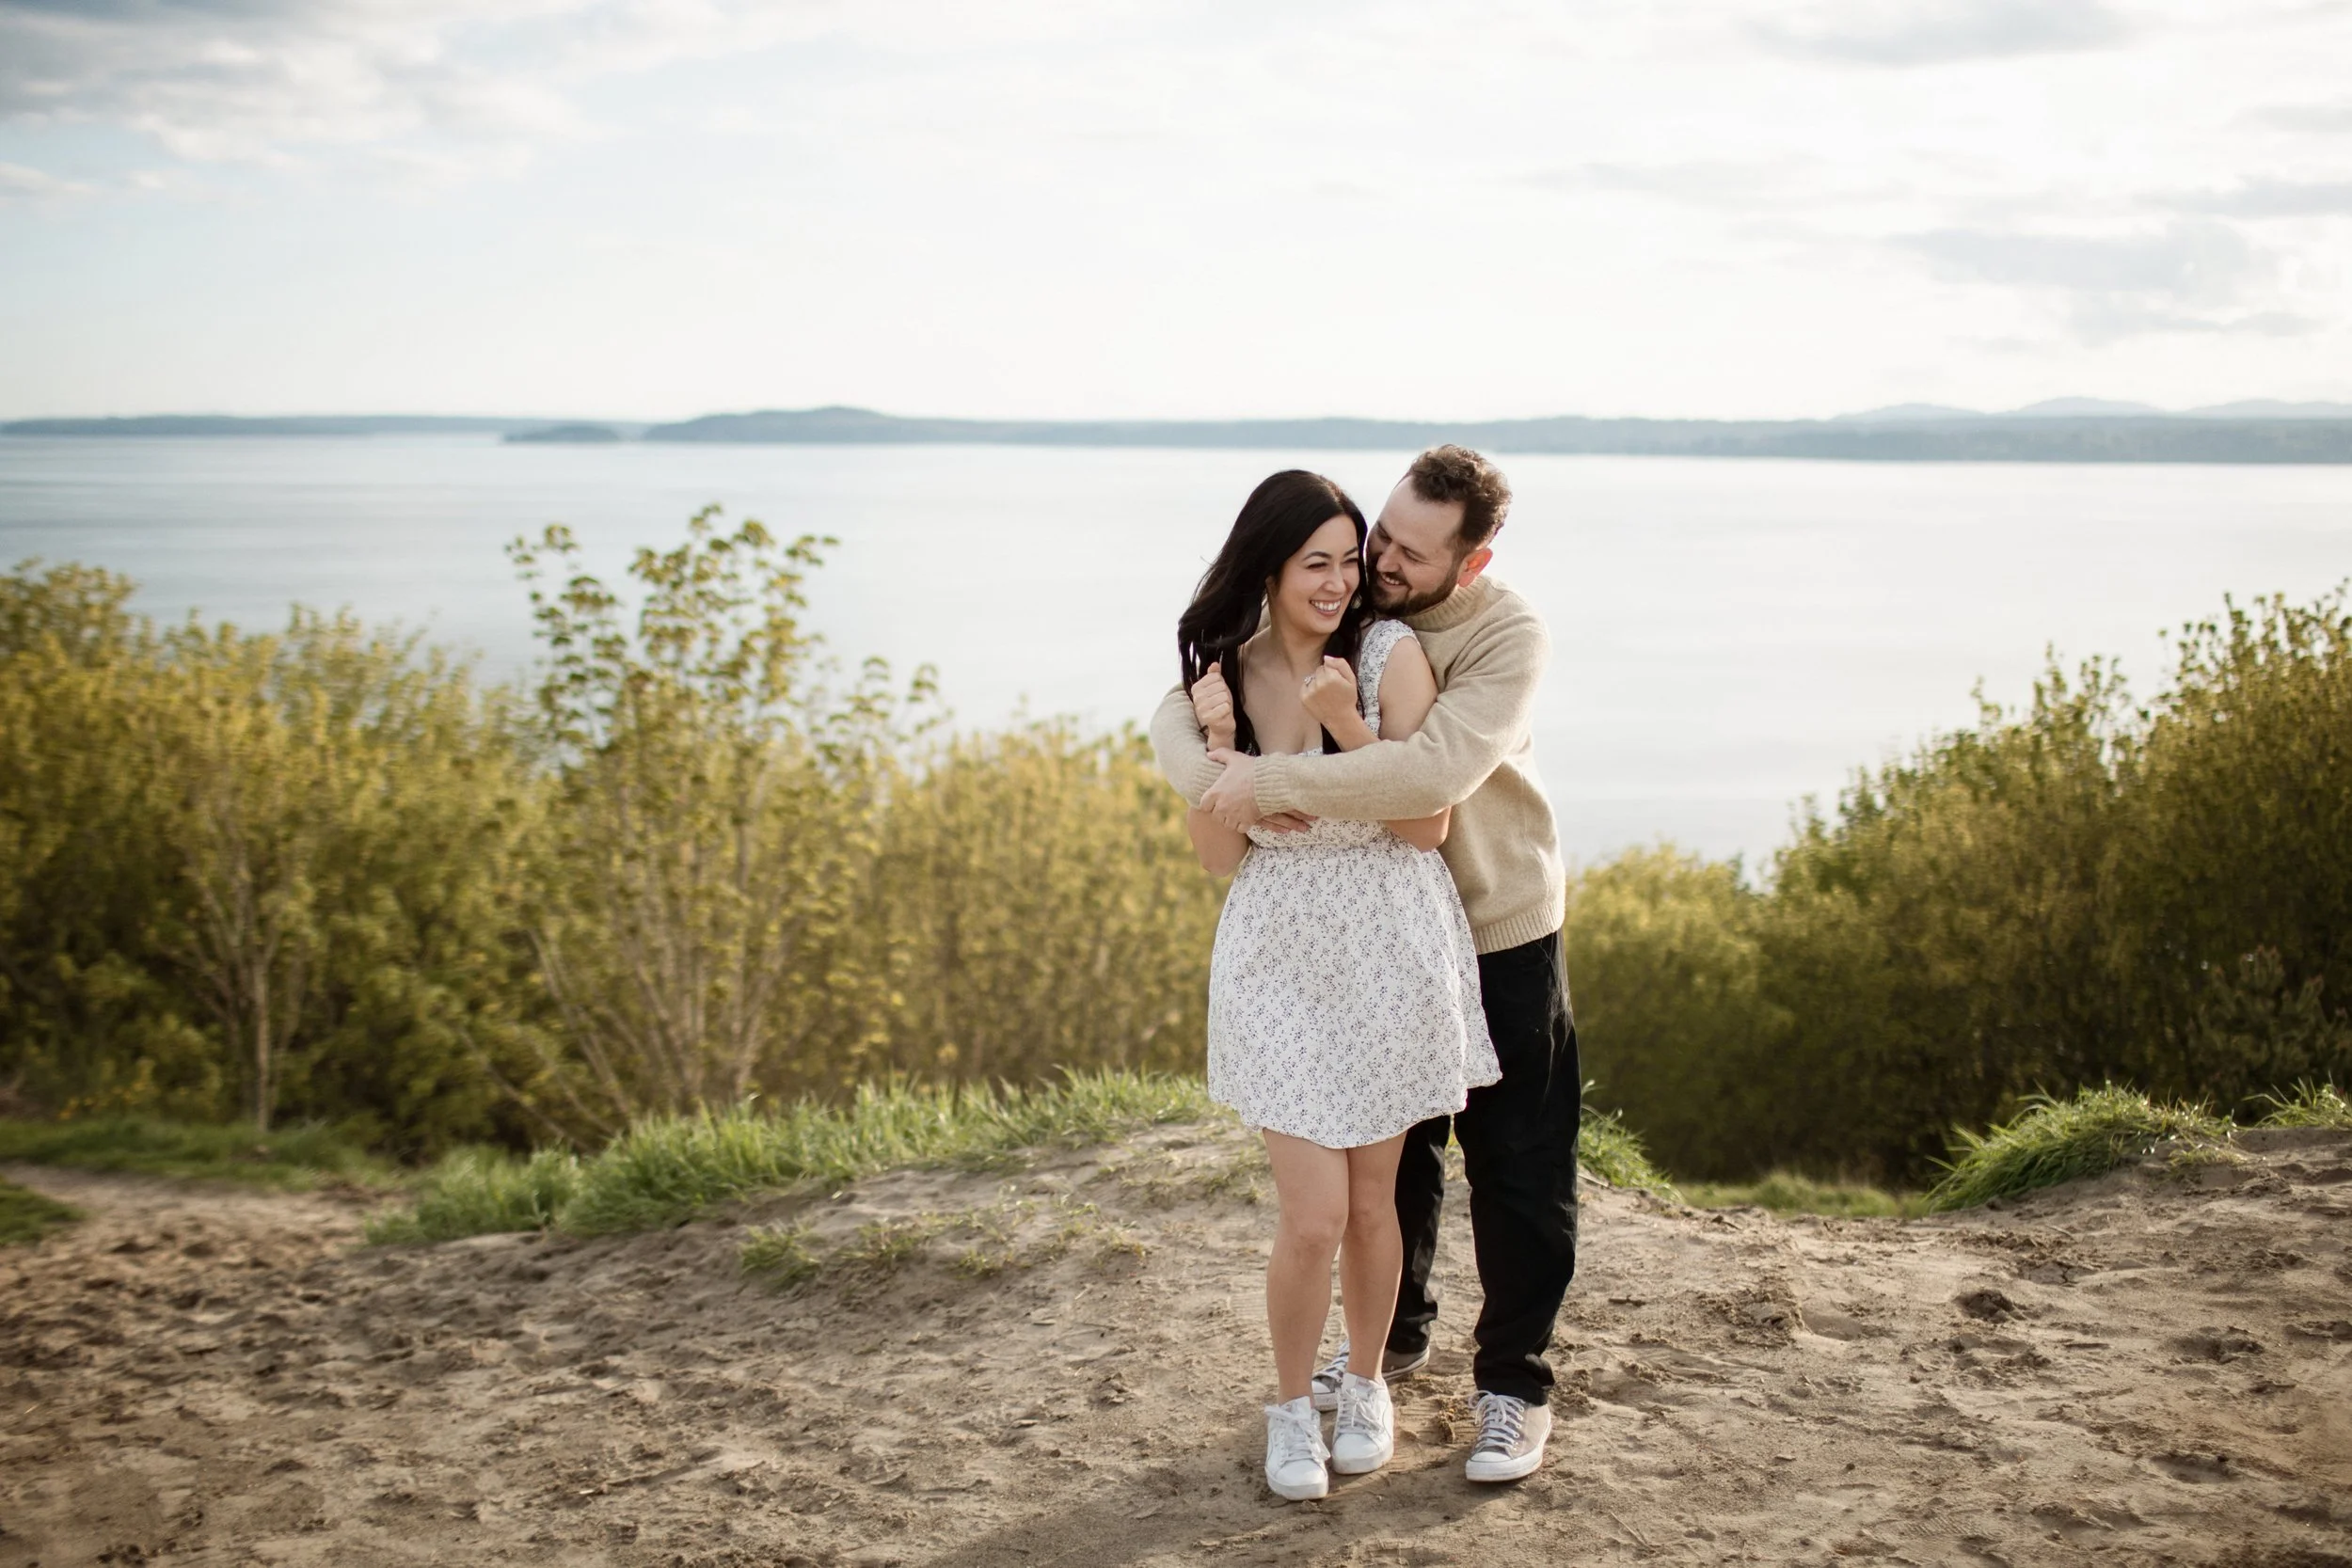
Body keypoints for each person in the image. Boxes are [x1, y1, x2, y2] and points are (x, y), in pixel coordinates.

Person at [1153, 445, 1574, 1486]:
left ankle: (1513, 1385)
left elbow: (1427, 785)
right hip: (1318, 947)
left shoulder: (1492, 635)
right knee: (1382, 1183)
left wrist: (1272, 777)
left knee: (1515, 1165)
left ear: (1468, 564)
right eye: (1371, 538)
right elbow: (1190, 732)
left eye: (1400, 553)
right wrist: (1204, 748)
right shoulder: (1304, 633)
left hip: (1491, 920)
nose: (1374, 565)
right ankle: (1382, 1352)